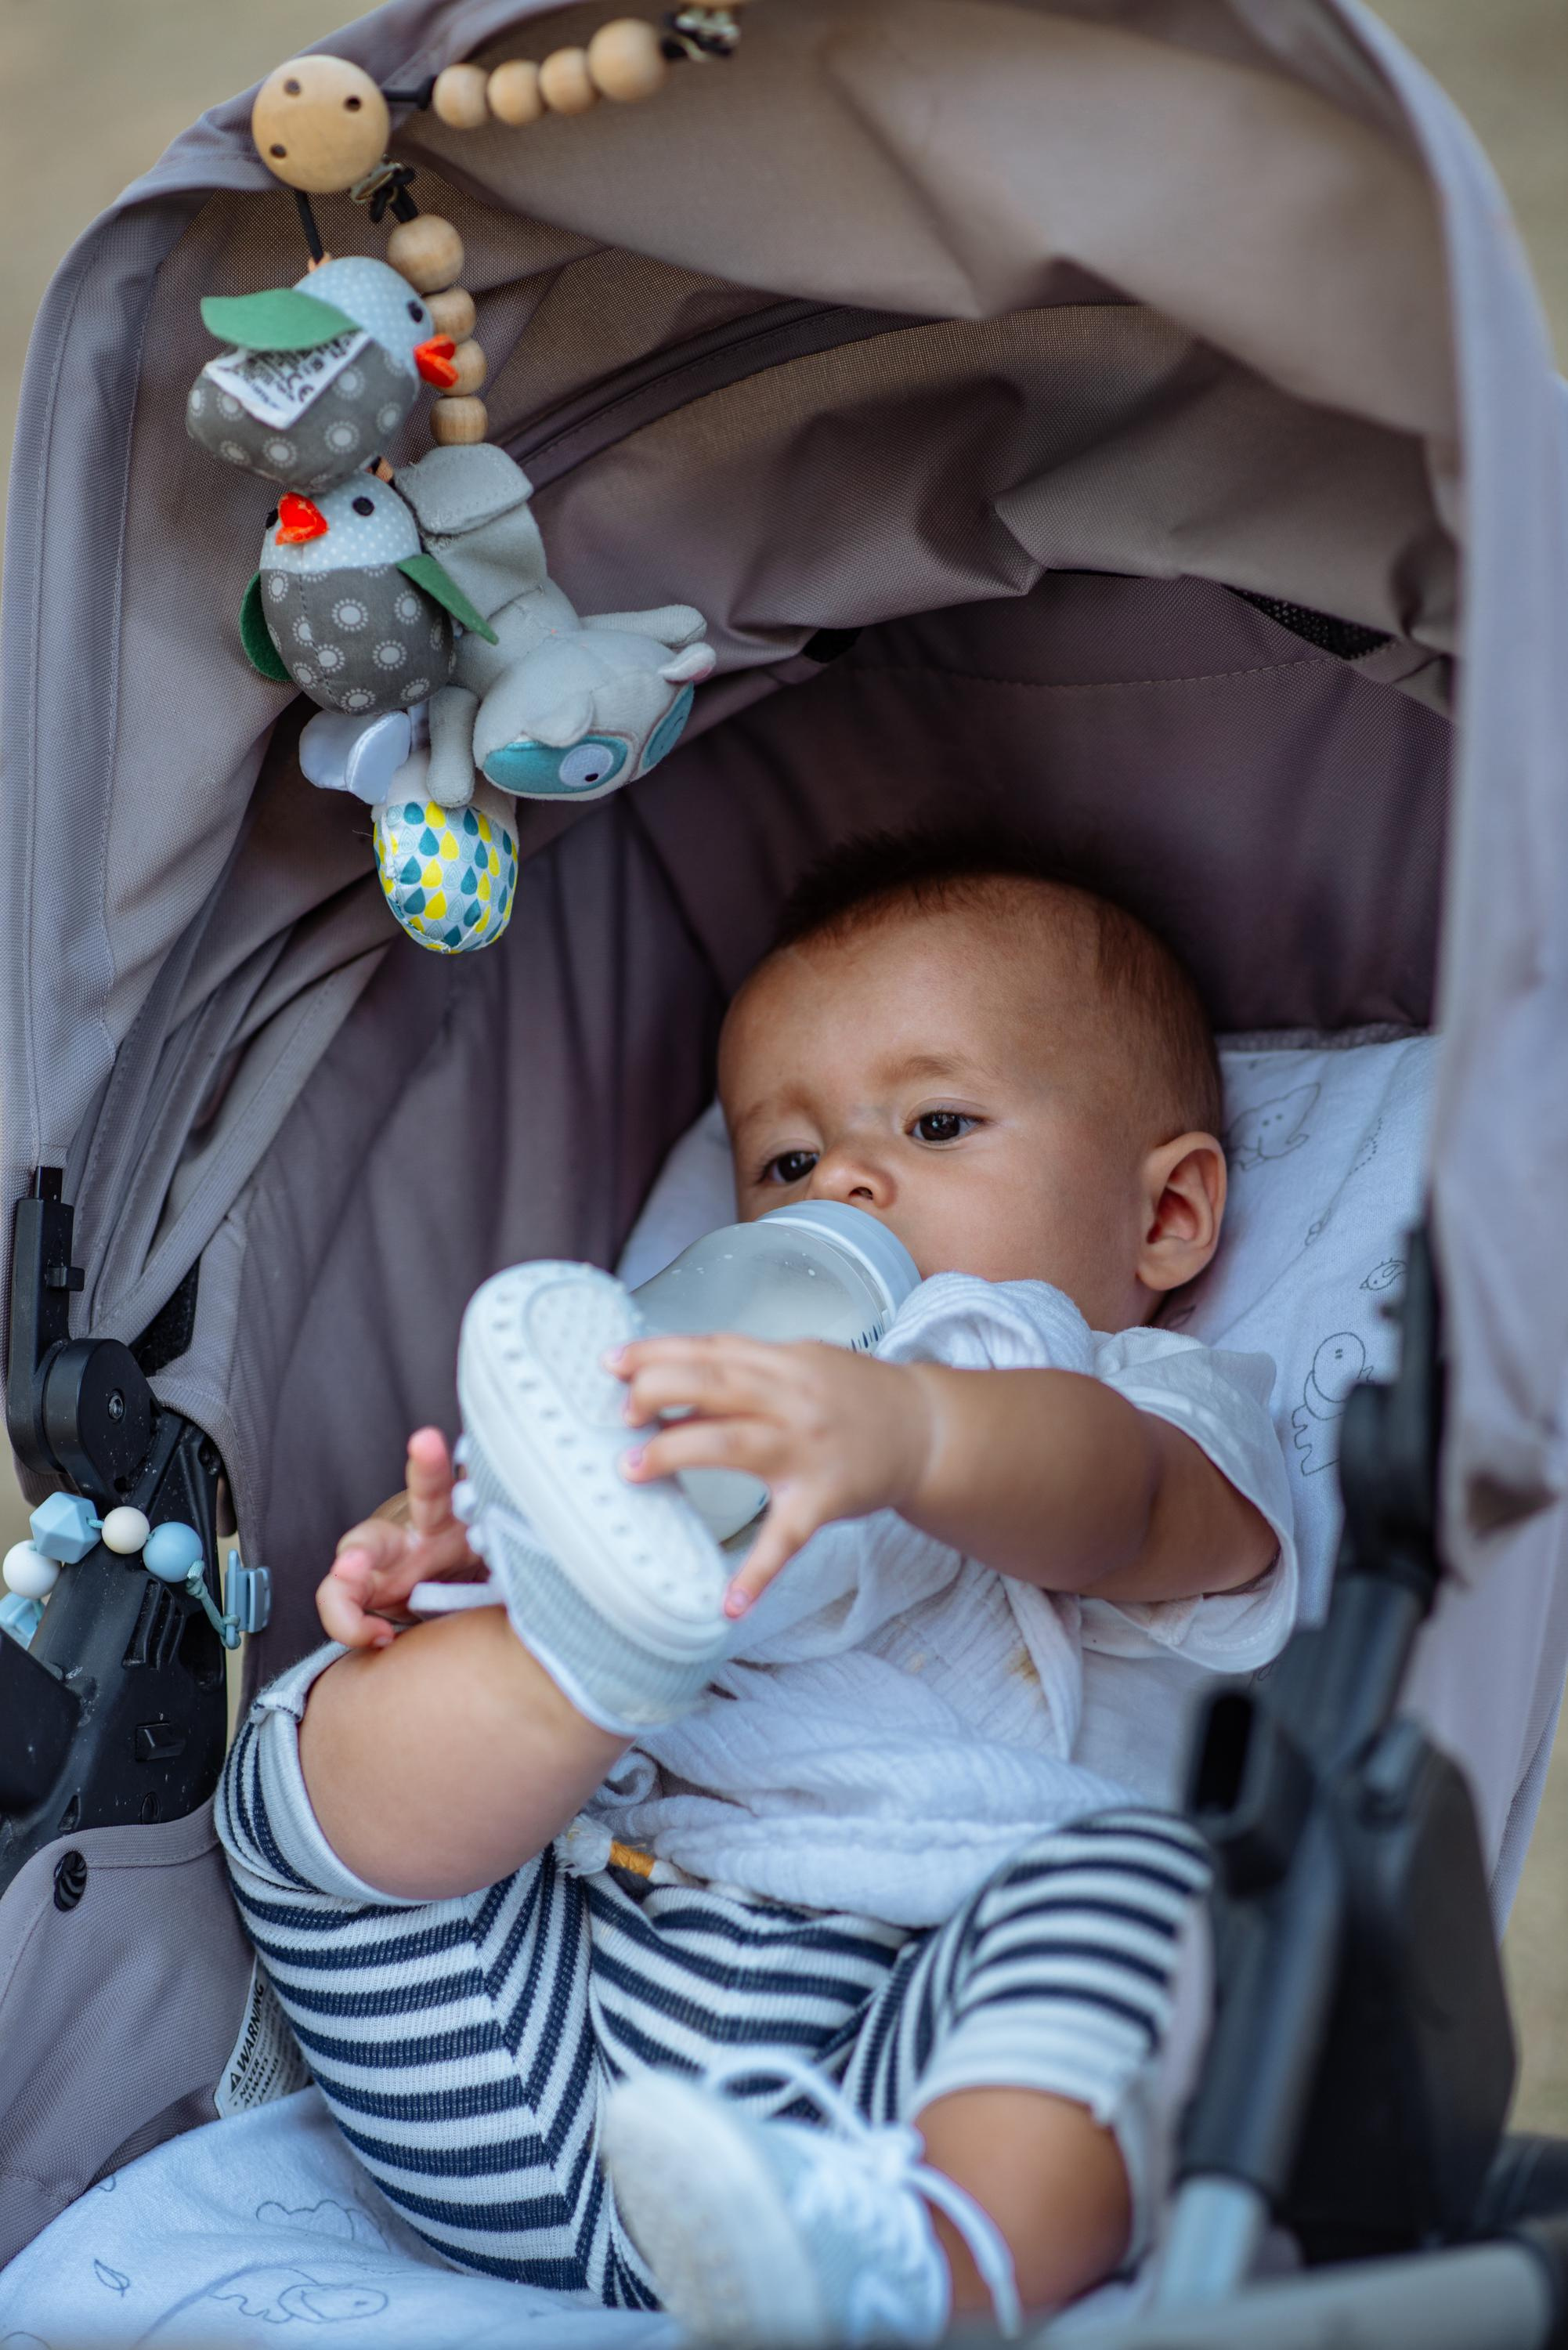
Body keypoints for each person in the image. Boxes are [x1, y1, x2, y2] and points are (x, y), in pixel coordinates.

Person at [219, 829, 1295, 2344]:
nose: (840, 1181)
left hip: (877, 2080)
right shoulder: (691, 1399)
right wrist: (467, 1546)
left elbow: (1130, 1510)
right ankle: (583, 1648)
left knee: (1144, 1897)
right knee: (299, 1752)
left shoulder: (1141, 1405)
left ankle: (933, 2267)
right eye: (784, 1163)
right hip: (530, 2038)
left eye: (936, 1122)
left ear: (1164, 1216)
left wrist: (918, 1435)